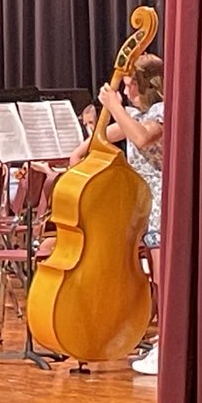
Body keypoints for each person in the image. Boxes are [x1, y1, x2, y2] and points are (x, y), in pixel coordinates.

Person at [69, 54, 163, 375]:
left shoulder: (161, 113)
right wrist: (80, 153)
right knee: (154, 279)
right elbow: (101, 140)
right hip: (142, 208)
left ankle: (168, 344)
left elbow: (140, 137)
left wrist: (114, 106)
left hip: (163, 207)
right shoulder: (137, 113)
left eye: (127, 84)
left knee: (163, 282)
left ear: (145, 84)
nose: (124, 91)